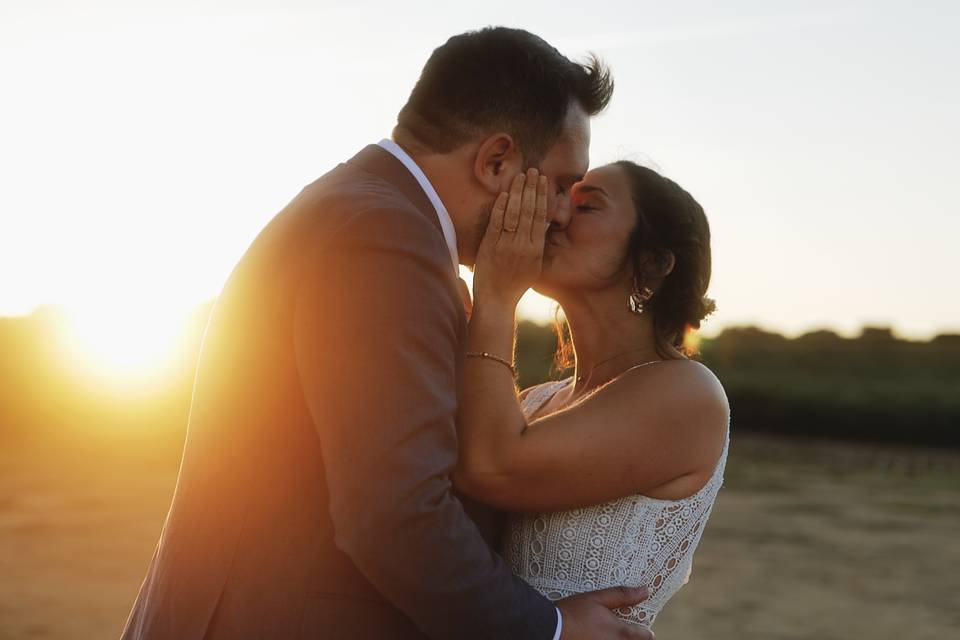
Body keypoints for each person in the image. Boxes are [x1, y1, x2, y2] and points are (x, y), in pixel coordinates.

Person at [120, 27, 653, 640]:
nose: (561, 211)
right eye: (559, 184)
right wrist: (550, 628)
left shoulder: (371, 212)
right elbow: (394, 515)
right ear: (497, 161)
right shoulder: (384, 238)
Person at [454, 161, 729, 629]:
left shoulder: (687, 394)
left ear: (654, 261)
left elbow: (491, 467)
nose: (556, 214)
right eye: (564, 197)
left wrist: (497, 298)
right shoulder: (540, 401)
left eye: (587, 205)